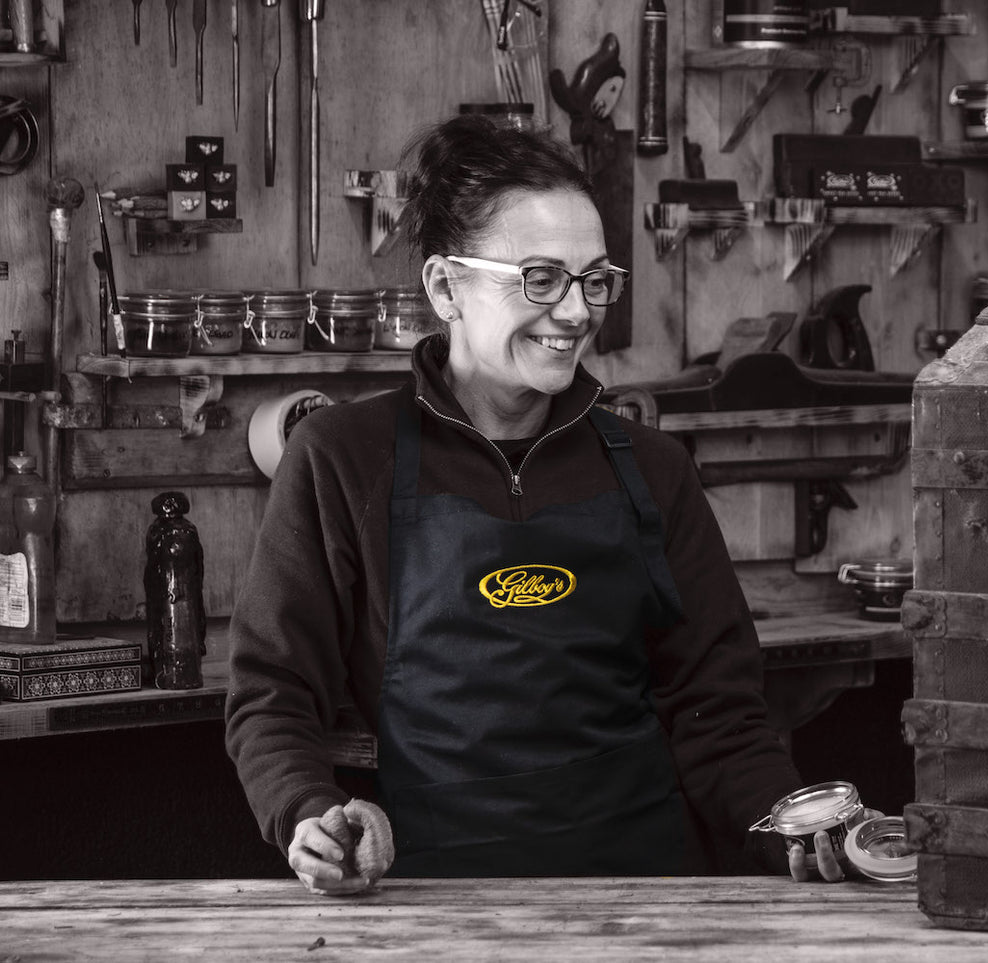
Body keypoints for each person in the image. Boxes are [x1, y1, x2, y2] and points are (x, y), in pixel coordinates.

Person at [224, 114, 863, 892]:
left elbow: (720, 718)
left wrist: (788, 830)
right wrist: (308, 813)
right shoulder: (342, 459)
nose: (575, 312)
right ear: (444, 286)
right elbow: (273, 695)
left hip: (649, 892)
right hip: (439, 894)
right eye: (540, 277)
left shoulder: (653, 470)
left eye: (593, 278)